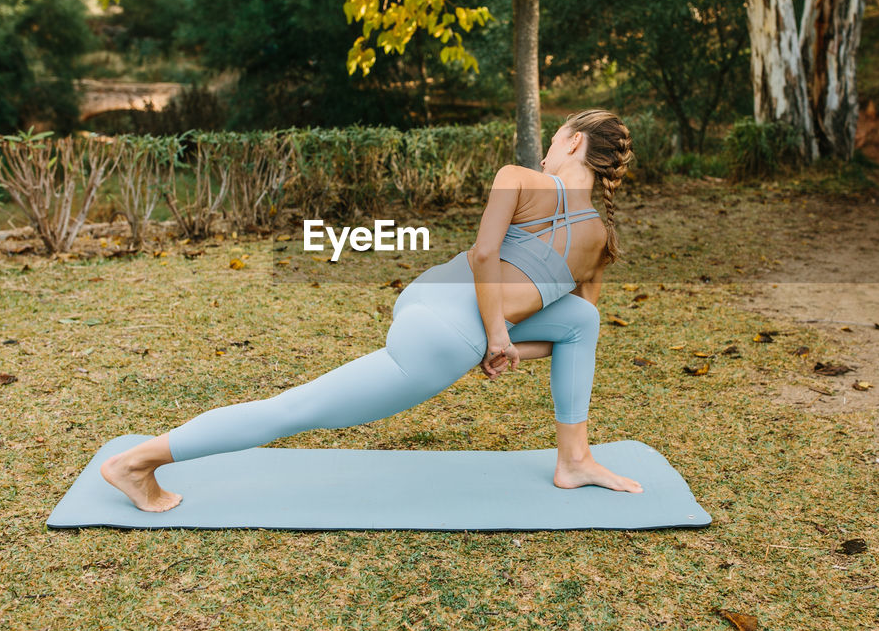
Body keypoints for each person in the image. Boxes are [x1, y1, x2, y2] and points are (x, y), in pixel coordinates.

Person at [100, 109, 643, 512]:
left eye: (552, 143)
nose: (544, 154)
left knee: (581, 320)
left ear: (573, 143)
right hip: (447, 336)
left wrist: (497, 343)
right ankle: (136, 463)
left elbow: (486, 255)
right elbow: (553, 322)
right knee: (294, 410)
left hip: (427, 299)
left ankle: (574, 459)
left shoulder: (518, 177)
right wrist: (498, 339)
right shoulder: (601, 239)